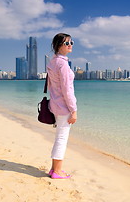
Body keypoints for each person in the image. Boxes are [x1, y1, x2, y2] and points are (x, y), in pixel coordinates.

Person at [46, 33, 78, 179]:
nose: (70, 45)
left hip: (55, 105)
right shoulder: (62, 64)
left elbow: (52, 87)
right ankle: (57, 171)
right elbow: (67, 90)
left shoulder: (52, 62)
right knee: (62, 138)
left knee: (59, 136)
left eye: (71, 42)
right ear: (58, 45)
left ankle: (54, 169)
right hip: (64, 107)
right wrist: (74, 110)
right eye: (66, 43)